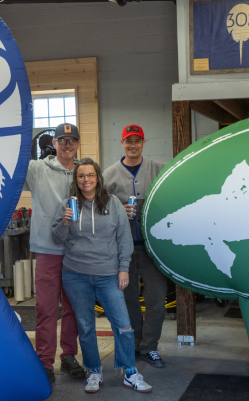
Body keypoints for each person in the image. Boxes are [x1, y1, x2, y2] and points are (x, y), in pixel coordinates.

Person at [52, 158, 153, 394]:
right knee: (86, 326)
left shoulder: (113, 203)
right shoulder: (69, 203)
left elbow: (123, 238)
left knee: (123, 325)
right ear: (76, 180)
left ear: (97, 177)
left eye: (90, 175)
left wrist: (123, 268)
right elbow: (58, 238)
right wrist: (65, 221)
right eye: (81, 176)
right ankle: (94, 371)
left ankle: (130, 372)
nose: (86, 180)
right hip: (75, 274)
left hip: (108, 274)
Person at [103, 124, 168, 368]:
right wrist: (117, 208)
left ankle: (150, 347)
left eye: (137, 141)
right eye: (128, 141)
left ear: (143, 142)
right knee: (128, 299)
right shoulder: (108, 175)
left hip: (153, 249)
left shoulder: (159, 169)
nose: (133, 145)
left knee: (156, 299)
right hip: (123, 251)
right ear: (122, 143)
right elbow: (98, 211)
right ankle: (134, 345)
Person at [24, 123, 85, 383]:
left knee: (73, 308)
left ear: (77, 144)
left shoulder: (85, 172)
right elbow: (7, 164)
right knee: (46, 308)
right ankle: (44, 362)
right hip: (48, 250)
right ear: (55, 143)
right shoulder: (36, 169)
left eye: (72, 140)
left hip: (78, 251)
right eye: (63, 140)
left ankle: (69, 356)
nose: (67, 144)